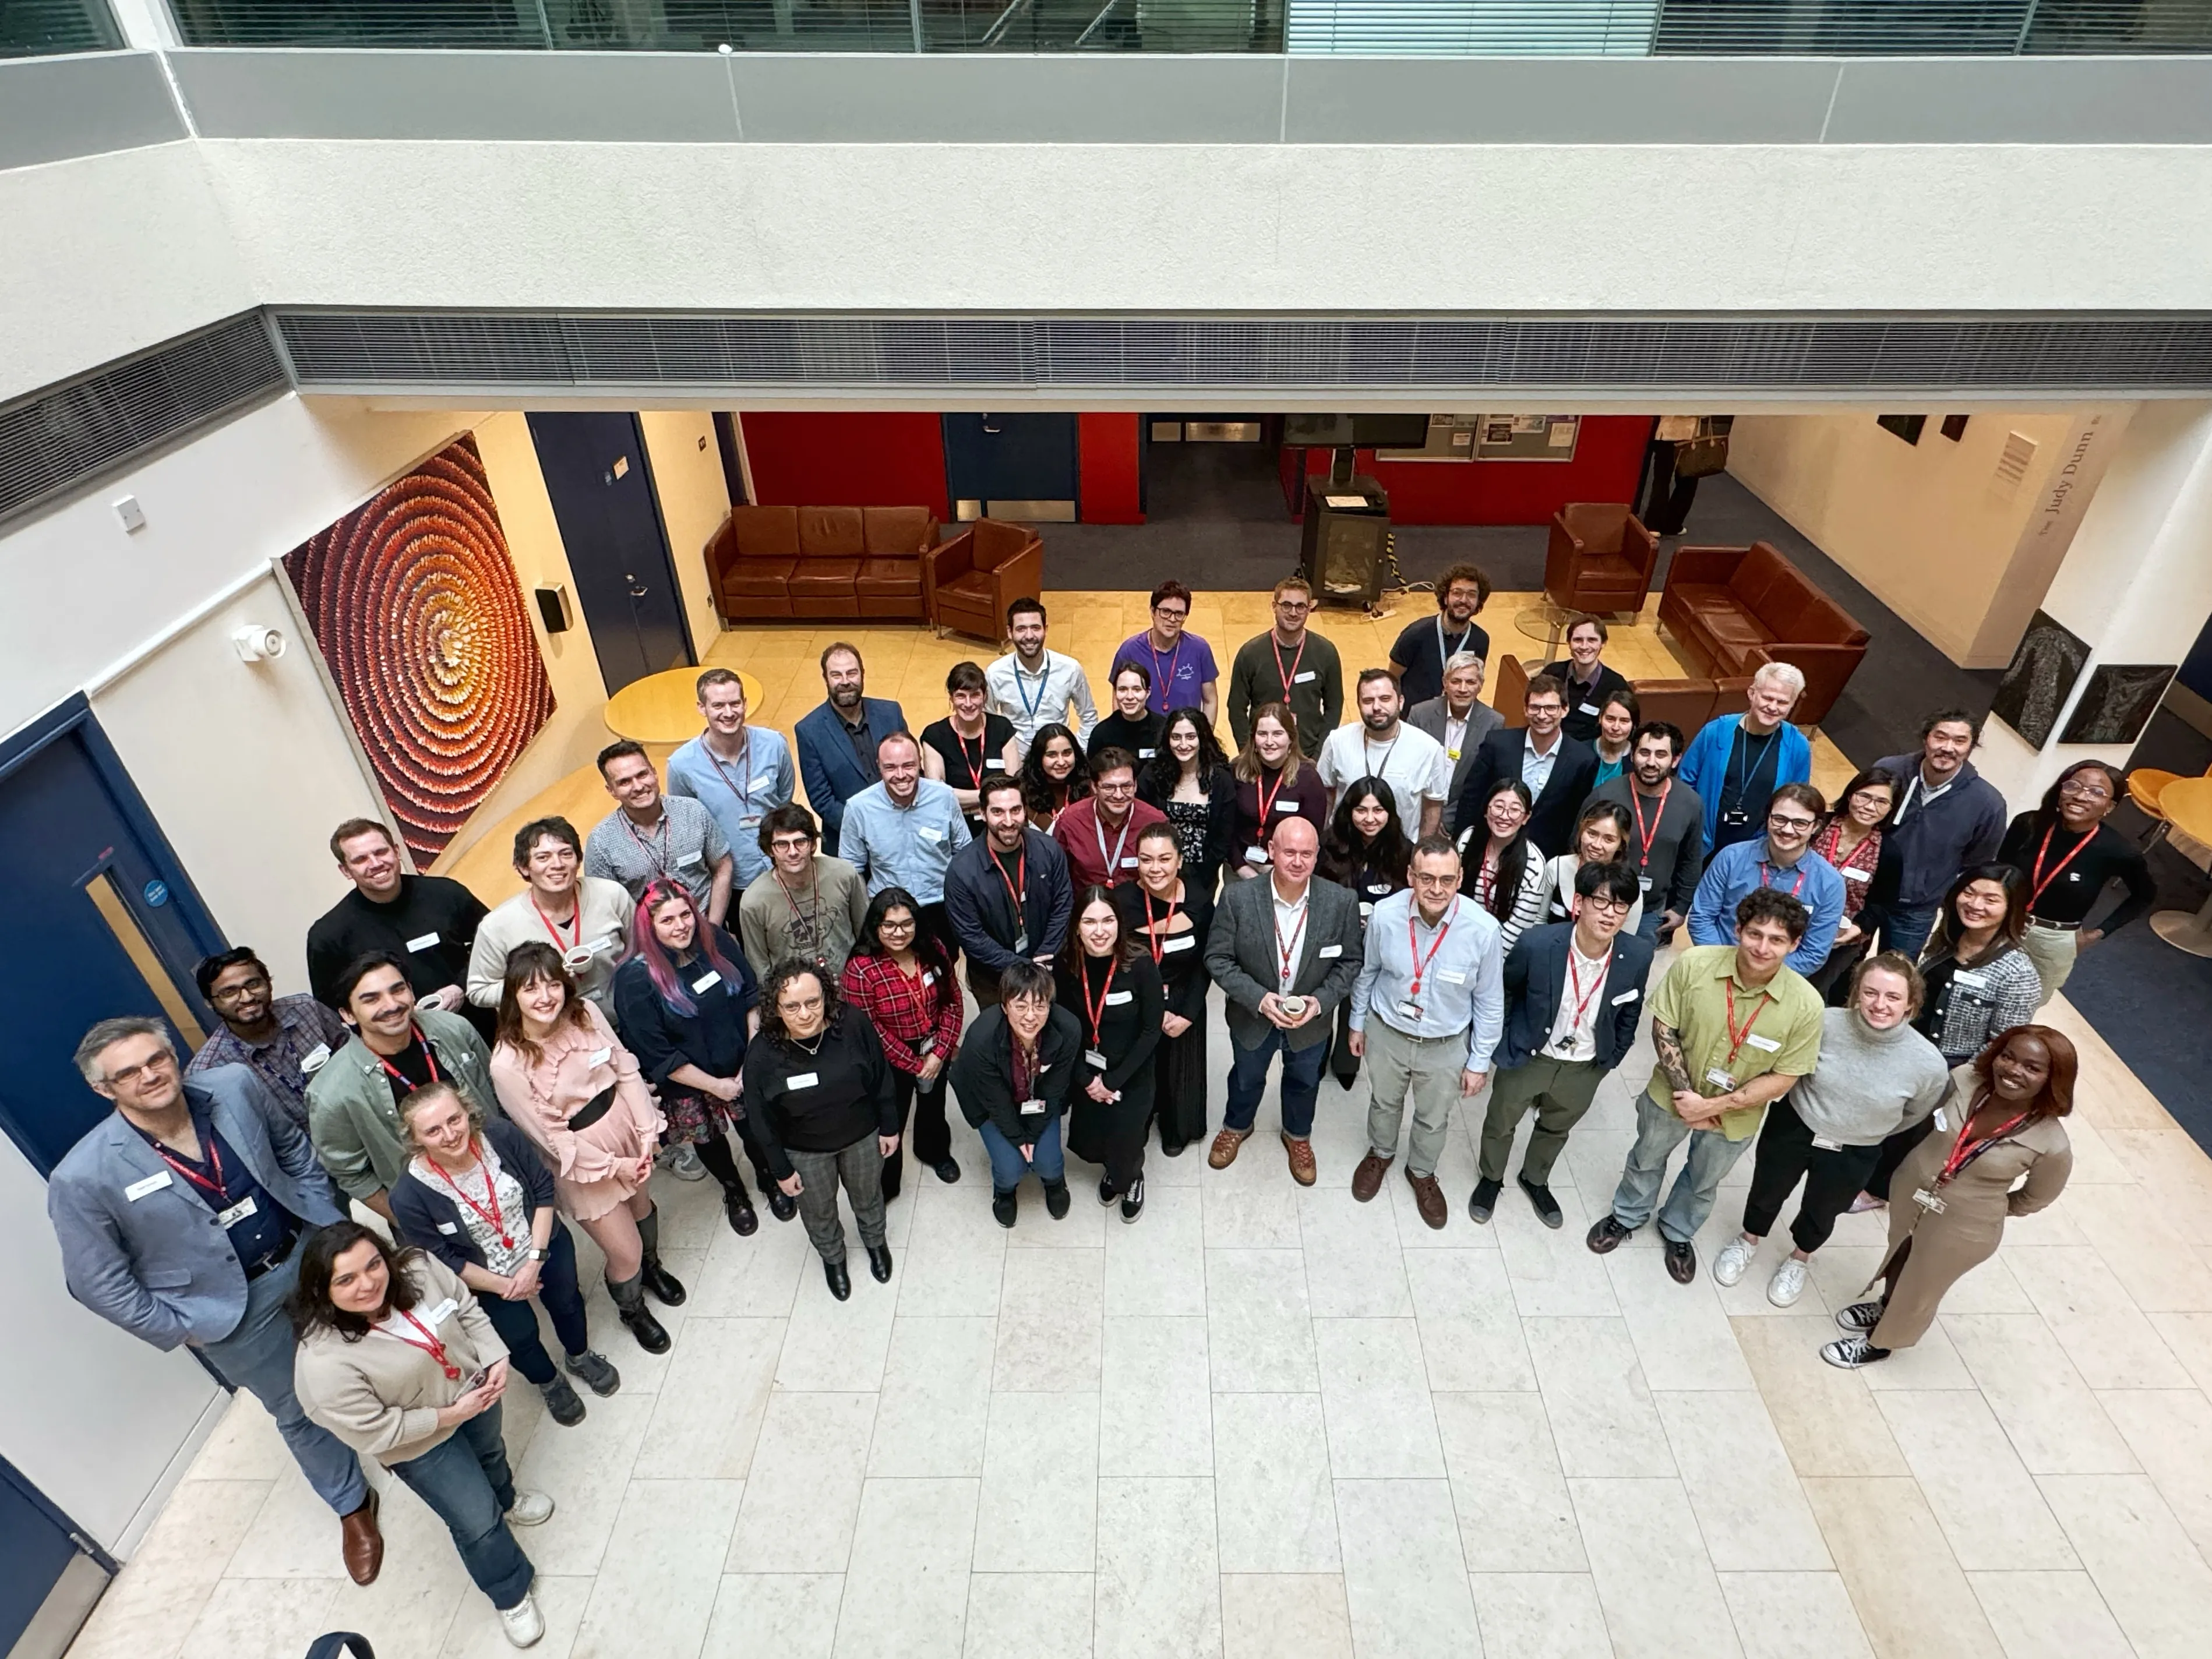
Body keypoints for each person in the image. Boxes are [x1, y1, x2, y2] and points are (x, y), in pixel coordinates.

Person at [48, 1019, 380, 1584]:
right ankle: (352, 1504)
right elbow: (97, 1283)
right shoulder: (83, 1176)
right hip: (230, 1311)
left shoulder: (232, 1085)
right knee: (295, 1409)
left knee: (375, 1342)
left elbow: (291, 1146)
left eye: (156, 1058)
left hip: (306, 1255)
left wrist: (323, 1217)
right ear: (104, 1089)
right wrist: (183, 1326)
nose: (150, 1074)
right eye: (128, 1072)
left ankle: (413, 1432)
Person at [288, 1223, 551, 1646]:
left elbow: (463, 1307)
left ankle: (508, 1499)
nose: (369, 1283)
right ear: (322, 1291)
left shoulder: (419, 1269)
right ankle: (510, 1593)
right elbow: (378, 1430)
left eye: (374, 1264)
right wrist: (448, 1416)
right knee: (475, 1519)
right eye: (346, 1279)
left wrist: (494, 1354)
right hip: (418, 1442)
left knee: (490, 1454)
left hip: (474, 1392)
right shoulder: (324, 1364)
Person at [1585, 889, 1825, 1284]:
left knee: (1703, 1180)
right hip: (1670, 1095)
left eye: (1777, 939)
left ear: (1794, 943)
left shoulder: (1805, 1005)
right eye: (1754, 934)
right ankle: (1627, 1215)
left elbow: (1786, 1076)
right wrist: (1687, 1098)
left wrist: (1715, 1108)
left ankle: (1678, 1231)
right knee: (1645, 1158)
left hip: (1735, 1116)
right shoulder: (1695, 964)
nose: (1762, 947)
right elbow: (1664, 1026)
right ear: (1737, 930)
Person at [1825, 1025, 2076, 1369]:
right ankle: (1886, 1305)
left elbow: (2034, 1199)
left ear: (2053, 1078)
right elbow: (1930, 1124)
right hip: (1912, 1192)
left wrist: (1978, 1206)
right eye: (2008, 1056)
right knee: (1902, 1253)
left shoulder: (2053, 1144)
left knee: (1922, 1284)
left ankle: (1880, 1344)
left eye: (2032, 1068)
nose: (2014, 1071)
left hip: (1965, 1228)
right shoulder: (1963, 1080)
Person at [1710, 954, 1950, 1308]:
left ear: (1911, 1004)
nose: (1879, 1005)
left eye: (1893, 997)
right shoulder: (1822, 1022)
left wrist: (1863, 1128)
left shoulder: (1929, 1064)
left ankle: (1799, 1259)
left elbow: (1914, 1114)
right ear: (1855, 993)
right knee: (1767, 1188)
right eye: (1870, 993)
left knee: (1824, 1209)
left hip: (1857, 1148)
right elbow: (1788, 1069)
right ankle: (1748, 1239)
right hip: (1795, 1125)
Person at [387, 1082, 622, 1428]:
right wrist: (504, 1287)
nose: (450, 1135)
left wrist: (534, 1262)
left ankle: (580, 1356)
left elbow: (543, 1189)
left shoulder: (500, 1135)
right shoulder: (408, 1196)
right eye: (434, 1131)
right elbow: (442, 1258)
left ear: (467, 1112)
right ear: (416, 1139)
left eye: (455, 1120)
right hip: (484, 1280)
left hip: (542, 1243)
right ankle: (549, 1382)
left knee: (568, 1302)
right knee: (519, 1337)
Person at [488, 944, 682, 1353]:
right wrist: (616, 1165)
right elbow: (551, 1138)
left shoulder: (585, 1014)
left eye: (553, 985)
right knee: (623, 1250)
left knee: (642, 1207)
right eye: (530, 989)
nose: (545, 998)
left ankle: (653, 1267)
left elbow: (624, 1067)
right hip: (583, 1160)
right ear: (513, 996)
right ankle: (631, 1308)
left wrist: (647, 1131)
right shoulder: (507, 1063)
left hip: (625, 1126)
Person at [1848, 864, 2044, 1215]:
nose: (1975, 904)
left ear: (2011, 908)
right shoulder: (1948, 938)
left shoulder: (2018, 972)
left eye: (1990, 899)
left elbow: (2004, 1043)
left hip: (1952, 1070)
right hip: (1907, 1049)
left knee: (1913, 1131)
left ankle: (1880, 1190)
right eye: (1969, 893)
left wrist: (1960, 1079)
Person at [1473, 862, 1654, 1229]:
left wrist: (1614, 1054)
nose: (1609, 914)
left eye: (1621, 906)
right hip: (1530, 1055)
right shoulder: (1538, 944)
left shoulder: (1637, 954)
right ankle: (1491, 1178)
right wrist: (1506, 1039)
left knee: (1557, 1126)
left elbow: (1631, 1007)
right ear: (1578, 902)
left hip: (1586, 1064)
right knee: (1501, 1120)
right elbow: (1505, 992)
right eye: (1601, 902)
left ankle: (1535, 1178)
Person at [1347, 835, 1505, 1229]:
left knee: (1434, 1118)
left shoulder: (1483, 931)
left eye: (1447, 880)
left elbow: (1489, 1002)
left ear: (1460, 878)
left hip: (1446, 1044)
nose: (1436, 889)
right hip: (1387, 1032)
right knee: (1383, 1102)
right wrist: (1356, 1022)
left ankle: (1421, 1171)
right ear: (1410, 876)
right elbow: (1367, 973)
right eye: (1426, 878)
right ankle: (1380, 1153)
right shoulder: (1384, 916)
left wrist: (1478, 1061)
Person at [1202, 816, 1364, 1185]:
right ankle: (1237, 1125)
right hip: (1252, 1017)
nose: (1297, 861)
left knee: (1304, 1081)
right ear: (1272, 851)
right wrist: (1259, 998)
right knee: (1246, 1077)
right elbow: (1217, 959)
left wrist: (1319, 1003)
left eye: (1306, 853)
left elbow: (1350, 961)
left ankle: (1297, 1135)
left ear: (1317, 855)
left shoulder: (1341, 902)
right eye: (1289, 851)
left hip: (1312, 1023)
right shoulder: (1238, 898)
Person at [611, 879, 778, 1236]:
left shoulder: (715, 940)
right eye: (667, 920)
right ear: (649, 927)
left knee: (757, 1131)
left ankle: (768, 1178)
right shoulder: (635, 979)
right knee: (710, 1140)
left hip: (742, 1065)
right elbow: (657, 1053)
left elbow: (750, 995)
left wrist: (750, 1061)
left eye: (685, 915)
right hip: (690, 1083)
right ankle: (734, 1192)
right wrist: (716, 1086)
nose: (681, 926)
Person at [740, 962, 900, 1300]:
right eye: (792, 1007)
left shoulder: (853, 1023)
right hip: (805, 1151)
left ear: (826, 997)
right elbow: (760, 1121)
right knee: (818, 1209)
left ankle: (875, 1242)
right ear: (775, 1008)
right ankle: (834, 1258)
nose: (805, 1014)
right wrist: (780, 1170)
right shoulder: (762, 1055)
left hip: (862, 1136)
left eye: (813, 1002)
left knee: (868, 1195)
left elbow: (882, 1076)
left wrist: (890, 1126)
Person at [308, 951, 500, 1223]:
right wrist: (415, 1225)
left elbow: (497, 1097)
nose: (391, 1005)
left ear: (411, 992)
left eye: (398, 990)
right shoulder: (331, 1094)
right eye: (371, 999)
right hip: (437, 1213)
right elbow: (352, 1174)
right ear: (348, 1014)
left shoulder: (454, 1029)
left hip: (503, 1179)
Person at [1997, 760, 2157, 1005]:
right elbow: (1999, 871)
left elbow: (2144, 896)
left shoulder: (2118, 851)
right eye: (2074, 786)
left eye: (2097, 793)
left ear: (2110, 807)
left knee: (2020, 1009)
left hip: (2052, 942)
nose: (2081, 796)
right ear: (2061, 791)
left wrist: (2098, 934)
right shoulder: (2028, 824)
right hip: (2003, 922)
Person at [841, 887, 965, 1197]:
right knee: (890, 1117)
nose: (899, 933)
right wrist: (914, 1064)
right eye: (889, 925)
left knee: (934, 1104)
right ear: (875, 926)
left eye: (907, 924)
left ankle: (934, 1151)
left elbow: (952, 1001)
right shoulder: (860, 969)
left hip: (933, 1046)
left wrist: (940, 1051)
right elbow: (870, 1030)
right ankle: (888, 1182)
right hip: (888, 1056)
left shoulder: (932, 948)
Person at [306, 817, 486, 1026]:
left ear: (397, 851)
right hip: (399, 1047)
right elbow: (331, 1011)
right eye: (361, 859)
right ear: (346, 871)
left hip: (480, 1025)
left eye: (381, 852)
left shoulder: (447, 894)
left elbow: (497, 945)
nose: (375, 864)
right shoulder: (328, 935)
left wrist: (461, 988)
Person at [1865, 710, 2009, 962]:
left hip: (1915, 910)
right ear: (1926, 739)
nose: (1948, 748)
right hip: (1864, 891)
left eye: (1960, 741)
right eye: (1940, 737)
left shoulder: (1988, 804)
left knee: (1894, 973)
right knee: (1842, 965)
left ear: (1971, 747)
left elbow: (1977, 863)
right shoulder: (1889, 770)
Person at [1058, 887, 1165, 1221]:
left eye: (1108, 920)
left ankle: (1132, 1178)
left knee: (1127, 1137)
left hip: (1131, 1072)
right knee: (1099, 1134)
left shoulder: (1141, 965)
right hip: (1087, 1070)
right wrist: (1088, 1079)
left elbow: (1151, 1030)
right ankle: (1114, 1170)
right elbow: (1061, 1027)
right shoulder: (1067, 964)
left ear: (1120, 923)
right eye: (1089, 922)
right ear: (1077, 926)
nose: (1100, 931)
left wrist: (1113, 1081)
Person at [948, 962, 1081, 1228]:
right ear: (1004, 1006)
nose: (1031, 1016)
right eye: (1021, 1006)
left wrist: (1032, 1136)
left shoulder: (1068, 1029)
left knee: (1049, 1162)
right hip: (992, 1101)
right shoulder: (981, 1038)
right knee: (1011, 1169)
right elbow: (995, 1100)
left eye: (1040, 1006)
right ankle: (1004, 1192)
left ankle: (1055, 1182)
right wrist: (1019, 1140)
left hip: (1038, 1098)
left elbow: (1054, 1088)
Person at [1116, 823, 1215, 1158]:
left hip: (1184, 996)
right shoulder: (1122, 901)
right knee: (1139, 1067)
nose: (1155, 868)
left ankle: (1177, 1126)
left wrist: (1187, 1012)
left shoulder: (1200, 900)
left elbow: (1206, 961)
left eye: (1164, 859)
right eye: (1146, 859)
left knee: (1179, 1068)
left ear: (1179, 860)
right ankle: (1138, 1121)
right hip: (1137, 999)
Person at [467, 817, 634, 1012]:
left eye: (566, 854)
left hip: (629, 1018)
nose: (557, 864)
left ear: (578, 860)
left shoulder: (611, 895)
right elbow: (479, 991)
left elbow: (643, 951)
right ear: (524, 867)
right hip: (555, 1036)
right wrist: (535, 983)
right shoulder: (497, 927)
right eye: (543, 857)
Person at [838, 731, 972, 965]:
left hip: (940, 907)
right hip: (888, 914)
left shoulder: (944, 797)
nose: (901, 775)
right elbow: (852, 871)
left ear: (920, 763)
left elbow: (965, 853)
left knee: (943, 974)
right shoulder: (858, 808)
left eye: (909, 766)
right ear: (878, 766)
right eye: (891, 767)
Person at [1687, 783, 1846, 974]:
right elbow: (1701, 918)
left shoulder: (1830, 884)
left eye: (1800, 823)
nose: (1787, 830)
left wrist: (1761, 977)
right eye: (1779, 819)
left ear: (1816, 826)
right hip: (1717, 967)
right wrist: (1725, 968)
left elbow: (1814, 953)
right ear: (1768, 818)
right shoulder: (1730, 858)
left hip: (1779, 982)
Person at [666, 667, 797, 895]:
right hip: (732, 882)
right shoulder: (681, 765)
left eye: (735, 704)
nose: (729, 713)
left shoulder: (774, 745)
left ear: (745, 703)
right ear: (702, 708)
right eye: (718, 706)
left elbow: (784, 798)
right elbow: (688, 825)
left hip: (783, 868)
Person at [946, 775, 1076, 1003]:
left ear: (1025, 810)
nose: (1008, 821)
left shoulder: (1049, 851)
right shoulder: (962, 870)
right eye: (998, 812)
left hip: (1048, 965)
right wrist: (1024, 967)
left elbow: (1063, 906)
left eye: (1015, 810)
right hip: (993, 978)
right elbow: (971, 936)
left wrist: (1042, 959)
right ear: (983, 813)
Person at [1318, 778, 1413, 1089]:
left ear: (1390, 813)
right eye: (1361, 809)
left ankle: (1346, 1061)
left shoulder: (1404, 851)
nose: (1369, 818)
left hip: (1378, 945)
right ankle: (1315, 1057)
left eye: (1378, 810)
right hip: (1331, 940)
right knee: (1324, 999)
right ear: (1349, 811)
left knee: (1358, 1002)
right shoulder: (1328, 845)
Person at [189, 946, 349, 1129]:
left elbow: (354, 1057)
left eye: (254, 984)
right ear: (210, 1004)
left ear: (269, 984)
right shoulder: (209, 1070)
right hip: (303, 1153)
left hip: (357, 1119)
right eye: (229, 992)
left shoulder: (307, 1009)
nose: (247, 997)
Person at [1451, 671, 1599, 857]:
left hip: (1546, 857)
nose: (1542, 715)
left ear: (1565, 709)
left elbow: (1575, 817)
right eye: (1535, 707)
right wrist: (1460, 847)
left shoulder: (1583, 760)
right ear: (1526, 709)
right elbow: (1471, 799)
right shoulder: (1498, 744)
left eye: (1551, 708)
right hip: (1488, 850)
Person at [584, 740, 733, 923]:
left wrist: (714, 928)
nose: (638, 787)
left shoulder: (694, 812)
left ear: (654, 773)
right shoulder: (601, 843)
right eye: (625, 782)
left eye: (642, 774)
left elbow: (723, 867)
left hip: (706, 925)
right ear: (612, 791)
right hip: (650, 944)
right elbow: (607, 907)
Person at [1675, 662, 1812, 856]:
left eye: (1782, 702)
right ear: (1752, 693)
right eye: (1767, 698)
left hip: (1756, 849)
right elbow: (1685, 783)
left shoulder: (1798, 746)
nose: (1772, 707)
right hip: (1700, 841)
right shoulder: (1716, 731)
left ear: (1792, 704)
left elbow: (1797, 801)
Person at [1587, 720, 1704, 945]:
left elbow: (1691, 860)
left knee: (1633, 972)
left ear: (1675, 760)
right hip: (1601, 904)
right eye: (1644, 753)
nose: (1651, 762)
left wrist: (1681, 907)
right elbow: (1579, 847)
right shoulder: (1604, 796)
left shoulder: (1691, 804)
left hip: (1651, 913)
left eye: (1661, 755)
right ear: (1632, 755)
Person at [793, 643, 909, 851]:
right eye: (837, 675)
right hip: (849, 840)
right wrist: (868, 829)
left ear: (862, 674)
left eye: (852, 673)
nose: (845, 682)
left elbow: (910, 768)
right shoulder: (809, 731)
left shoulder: (891, 713)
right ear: (826, 679)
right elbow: (822, 800)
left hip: (903, 828)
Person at [736, 804, 871, 981]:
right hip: (794, 997)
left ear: (813, 844)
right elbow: (759, 966)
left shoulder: (844, 875)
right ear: (770, 850)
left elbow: (866, 935)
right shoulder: (754, 901)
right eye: (782, 844)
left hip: (850, 985)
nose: (793, 852)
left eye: (800, 842)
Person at [1318, 668, 1451, 838]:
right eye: (1368, 701)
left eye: (1385, 699)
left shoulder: (1429, 749)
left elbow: (1433, 805)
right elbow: (1326, 794)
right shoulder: (1337, 741)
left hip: (1399, 853)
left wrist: (1420, 852)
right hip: (1344, 849)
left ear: (1401, 702)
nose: (1376, 707)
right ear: (1358, 704)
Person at [1803, 767, 1898, 1004]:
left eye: (1881, 802)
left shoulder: (1889, 851)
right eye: (1864, 796)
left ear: (1891, 808)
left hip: (1841, 940)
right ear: (1850, 794)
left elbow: (1883, 904)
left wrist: (1858, 928)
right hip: (1792, 923)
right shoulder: (1818, 825)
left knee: (1811, 995)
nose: (1869, 807)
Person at [1227, 574, 1343, 758]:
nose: (1293, 613)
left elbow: (1334, 707)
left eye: (1300, 606)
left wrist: (1319, 754)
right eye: (1286, 605)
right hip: (1263, 755)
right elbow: (1236, 708)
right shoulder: (1250, 654)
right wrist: (1249, 752)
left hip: (1308, 754)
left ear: (1309, 609)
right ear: (1274, 606)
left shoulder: (1326, 653)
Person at [1138, 707, 1237, 895]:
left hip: (1203, 876)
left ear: (1202, 739)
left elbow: (1223, 837)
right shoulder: (1151, 776)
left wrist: (1202, 876)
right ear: (1168, 740)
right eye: (1176, 737)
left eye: (1191, 737)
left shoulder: (1221, 780)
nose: (1183, 744)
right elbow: (1142, 824)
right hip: (1157, 874)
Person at [919, 660, 1019, 838]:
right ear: (951, 698)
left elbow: (1014, 786)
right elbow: (939, 795)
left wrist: (963, 798)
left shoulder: (1002, 728)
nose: (968, 703)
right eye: (961, 696)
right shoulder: (935, 736)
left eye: (975, 695)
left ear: (985, 696)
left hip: (1001, 823)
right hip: (956, 824)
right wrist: (991, 796)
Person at [988, 596, 1097, 759]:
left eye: (1036, 628)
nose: (1029, 636)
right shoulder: (995, 673)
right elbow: (988, 722)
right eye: (1021, 629)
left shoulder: (1070, 669)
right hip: (1017, 762)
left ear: (1046, 629)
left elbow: (1089, 716)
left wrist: (1078, 751)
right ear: (1010, 632)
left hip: (1059, 761)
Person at [1227, 704, 1328, 877]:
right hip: (1240, 867)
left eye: (1277, 734)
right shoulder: (1236, 771)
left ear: (1291, 738)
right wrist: (1240, 867)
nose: (1269, 742)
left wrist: (1283, 872)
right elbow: (1226, 827)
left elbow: (1313, 835)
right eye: (1262, 734)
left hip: (1288, 872)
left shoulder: (1308, 779)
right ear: (1254, 739)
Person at [1053, 744, 1167, 889]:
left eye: (1126, 786)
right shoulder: (1071, 822)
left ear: (1136, 785)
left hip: (1139, 909)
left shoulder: (1154, 822)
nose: (1119, 795)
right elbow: (1057, 877)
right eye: (1109, 788)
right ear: (1094, 787)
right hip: (1086, 908)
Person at [1388, 562, 1493, 708]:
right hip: (1413, 718)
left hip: (1453, 717)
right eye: (1457, 593)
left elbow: (1473, 680)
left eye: (1471, 595)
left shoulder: (1480, 640)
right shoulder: (1416, 634)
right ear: (1445, 597)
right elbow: (1392, 678)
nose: (1464, 600)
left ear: (1478, 602)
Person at [1461, 779, 1549, 953]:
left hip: (1499, 953)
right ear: (1487, 810)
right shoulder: (1467, 840)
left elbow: (1518, 929)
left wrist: (1486, 962)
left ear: (1526, 818)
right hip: (1458, 938)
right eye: (1498, 807)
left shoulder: (1534, 863)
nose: (1504, 816)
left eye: (1515, 810)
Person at [1407, 650, 1503, 806]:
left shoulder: (1493, 723)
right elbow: (1409, 768)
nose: (1463, 689)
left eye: (1471, 682)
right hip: (1419, 806)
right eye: (1456, 681)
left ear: (1480, 685)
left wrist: (1447, 819)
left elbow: (1485, 781)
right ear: (1445, 683)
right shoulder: (1420, 714)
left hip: (1460, 813)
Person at [1116, 580, 1219, 723]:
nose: (1172, 619)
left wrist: (1204, 737)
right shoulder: (1129, 651)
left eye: (1179, 614)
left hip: (1185, 740)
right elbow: (1118, 702)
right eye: (1165, 612)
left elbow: (1210, 700)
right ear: (1153, 612)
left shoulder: (1200, 649)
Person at [1541, 802, 1645, 937]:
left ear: (1621, 844)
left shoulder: (1629, 887)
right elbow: (1540, 921)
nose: (1596, 845)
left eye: (1608, 840)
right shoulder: (1557, 867)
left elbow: (1626, 941)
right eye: (1592, 834)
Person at [1541, 615, 1632, 745]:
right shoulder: (1552, 673)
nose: (1584, 647)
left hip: (1588, 752)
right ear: (1569, 643)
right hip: (1548, 743)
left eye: (1592, 640)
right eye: (1578, 640)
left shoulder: (1616, 685)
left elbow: (1626, 726)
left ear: (1603, 643)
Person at [1088, 661, 1169, 764]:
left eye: (1137, 690)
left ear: (1148, 692)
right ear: (1115, 692)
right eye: (1123, 690)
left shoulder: (1164, 729)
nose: (1130, 697)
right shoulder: (1101, 734)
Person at [1018, 722, 1091, 832]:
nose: (1061, 762)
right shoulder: (1022, 792)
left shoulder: (1091, 787)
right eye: (1052, 755)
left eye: (1067, 753)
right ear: (1038, 758)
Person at [1589, 687, 1639, 790]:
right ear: (1600, 718)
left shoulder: (1639, 760)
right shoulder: (1579, 754)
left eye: (1624, 721)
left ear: (1634, 725)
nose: (1616, 727)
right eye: (1610, 719)